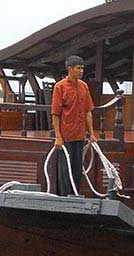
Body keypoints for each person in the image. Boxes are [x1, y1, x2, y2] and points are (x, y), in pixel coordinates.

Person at [51, 55, 97, 196]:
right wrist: (58, 137)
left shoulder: (84, 86)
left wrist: (92, 134)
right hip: (66, 136)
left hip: (79, 135)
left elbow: (88, 111)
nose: (81, 71)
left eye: (82, 68)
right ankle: (64, 198)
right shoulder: (60, 87)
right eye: (78, 68)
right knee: (65, 171)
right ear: (70, 69)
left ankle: (75, 196)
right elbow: (55, 113)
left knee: (77, 170)